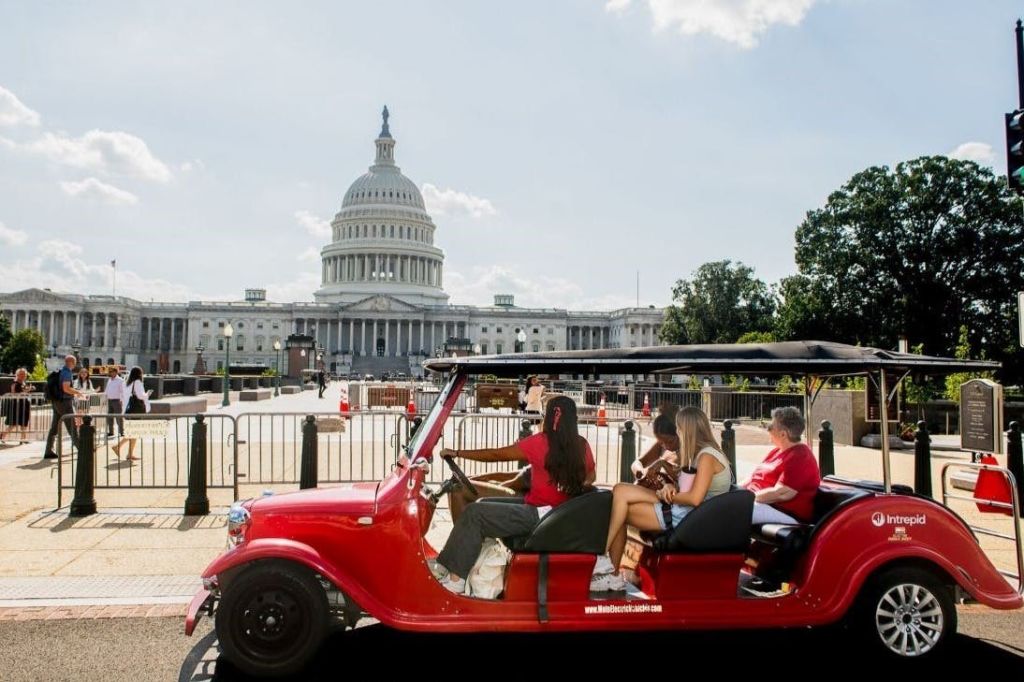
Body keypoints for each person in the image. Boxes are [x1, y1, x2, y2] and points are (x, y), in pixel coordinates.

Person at [432, 396, 596, 594]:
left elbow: (496, 455)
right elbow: (591, 475)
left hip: (539, 516)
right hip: (555, 514)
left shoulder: (541, 442)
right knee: (482, 503)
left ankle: (456, 580)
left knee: (475, 512)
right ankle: (447, 564)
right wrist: (581, 484)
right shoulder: (582, 444)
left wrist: (457, 453)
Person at [594, 406, 731, 591]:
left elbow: (694, 499)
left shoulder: (706, 456)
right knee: (619, 491)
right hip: (684, 509)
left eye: (679, 428)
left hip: (686, 515)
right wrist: (669, 487)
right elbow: (688, 488)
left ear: (687, 429)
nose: (679, 433)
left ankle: (606, 563)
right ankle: (607, 566)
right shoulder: (701, 454)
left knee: (621, 508)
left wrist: (667, 495)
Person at [742, 406, 821, 525]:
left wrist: (745, 499)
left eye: (770, 426)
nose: (767, 429)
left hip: (783, 511)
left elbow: (782, 493)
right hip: (761, 504)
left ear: (783, 434)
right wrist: (733, 493)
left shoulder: (800, 456)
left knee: (730, 511)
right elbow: (753, 478)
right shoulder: (776, 452)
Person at [43, 355, 81, 459]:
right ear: (73, 362)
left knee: (54, 428)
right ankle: (82, 450)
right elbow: (66, 388)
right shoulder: (67, 372)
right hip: (64, 402)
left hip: (56, 402)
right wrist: (77, 392)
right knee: (72, 426)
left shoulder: (60, 371)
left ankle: (48, 450)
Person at [112, 366, 150, 461]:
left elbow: (123, 396)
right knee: (134, 431)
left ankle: (129, 453)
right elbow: (141, 396)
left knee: (134, 431)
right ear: (139, 374)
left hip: (128, 409)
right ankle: (118, 447)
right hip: (136, 409)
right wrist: (148, 394)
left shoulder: (127, 382)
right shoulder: (137, 382)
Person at [0, 368, 32, 444]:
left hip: (24, 405)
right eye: (21, 374)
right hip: (17, 405)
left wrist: (28, 390)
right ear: (17, 375)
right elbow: (14, 393)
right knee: (13, 424)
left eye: (24, 374)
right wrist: (25, 392)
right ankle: (2, 435)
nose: (23, 376)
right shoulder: (15, 383)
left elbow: (24, 392)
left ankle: (23, 439)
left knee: (24, 423)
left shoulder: (24, 383)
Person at [104, 367, 125, 438]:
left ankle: (121, 432)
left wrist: (121, 400)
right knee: (110, 417)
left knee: (118, 417)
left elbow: (122, 391)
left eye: (112, 371)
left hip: (117, 400)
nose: (111, 373)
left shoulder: (120, 380)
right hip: (109, 400)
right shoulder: (109, 380)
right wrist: (105, 398)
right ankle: (111, 432)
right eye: (110, 372)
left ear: (116, 372)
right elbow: (107, 390)